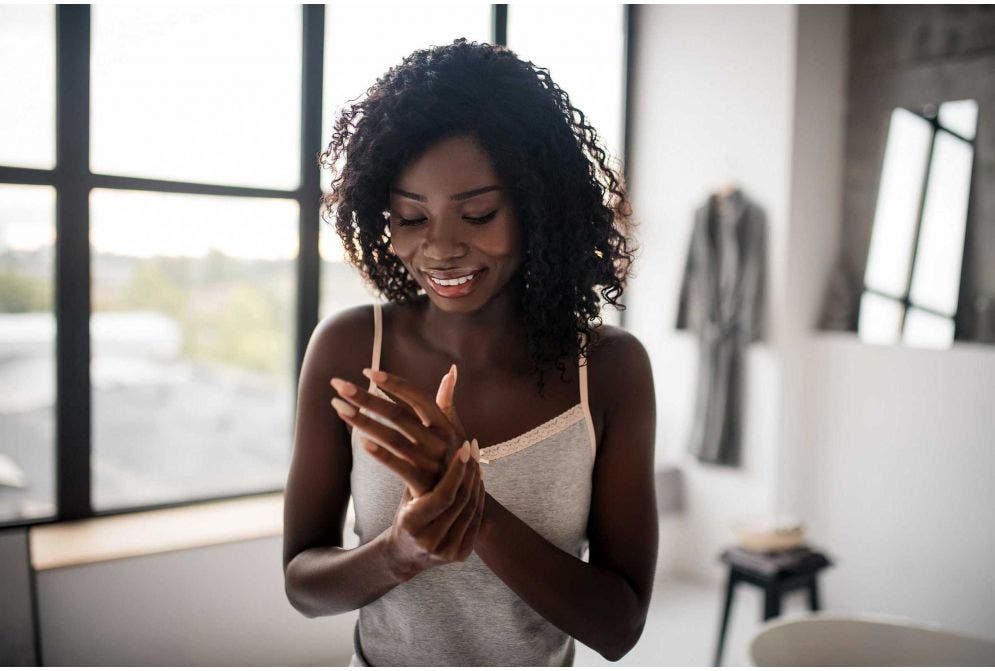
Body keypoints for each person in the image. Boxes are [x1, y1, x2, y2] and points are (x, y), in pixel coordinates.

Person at [283, 39, 657, 666]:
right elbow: (302, 586)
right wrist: (399, 551)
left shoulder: (610, 371)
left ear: (540, 207)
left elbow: (618, 628)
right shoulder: (350, 349)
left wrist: (469, 508)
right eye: (410, 216)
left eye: (478, 213)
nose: (440, 248)